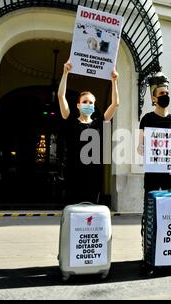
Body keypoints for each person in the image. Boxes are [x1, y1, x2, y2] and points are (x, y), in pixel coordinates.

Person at [58, 62, 119, 204]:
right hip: (74, 176)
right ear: (78, 105)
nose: (88, 104)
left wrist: (114, 81)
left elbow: (115, 104)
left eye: (91, 102)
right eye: (85, 102)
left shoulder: (99, 122)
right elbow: (61, 97)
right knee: (74, 212)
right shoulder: (71, 121)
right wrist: (65, 73)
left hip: (94, 176)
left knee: (90, 213)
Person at [137, 72, 171, 198]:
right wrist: (141, 148)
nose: (165, 96)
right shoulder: (146, 119)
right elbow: (140, 147)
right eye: (161, 93)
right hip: (152, 170)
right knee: (150, 205)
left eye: (166, 93)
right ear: (154, 98)